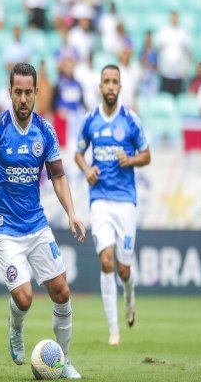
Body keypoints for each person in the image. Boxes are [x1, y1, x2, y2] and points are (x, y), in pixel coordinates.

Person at [0, 62, 86, 379]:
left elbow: (58, 176)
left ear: (36, 93)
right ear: (10, 92)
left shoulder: (45, 131)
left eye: (28, 92)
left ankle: (64, 361)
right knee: (24, 297)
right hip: (6, 229)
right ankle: (15, 328)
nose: (22, 98)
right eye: (17, 92)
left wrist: (72, 212)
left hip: (37, 225)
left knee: (61, 292)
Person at [74, 64, 151, 347]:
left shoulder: (131, 120)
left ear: (120, 87)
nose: (110, 86)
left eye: (114, 82)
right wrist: (86, 170)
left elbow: (147, 155)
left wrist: (129, 160)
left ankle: (129, 297)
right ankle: (113, 330)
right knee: (106, 261)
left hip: (125, 202)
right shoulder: (90, 120)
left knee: (124, 269)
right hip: (100, 201)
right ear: (100, 86)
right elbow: (78, 154)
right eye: (106, 81)